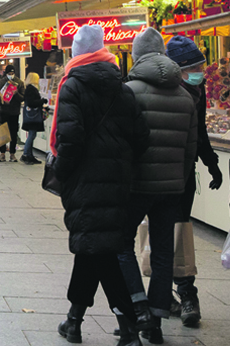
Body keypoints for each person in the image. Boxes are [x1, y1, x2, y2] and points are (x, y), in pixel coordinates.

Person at [52, 25, 150, 346]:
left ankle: (129, 326)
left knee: (98, 251)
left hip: (84, 181)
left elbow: (69, 139)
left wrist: (62, 173)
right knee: (94, 248)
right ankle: (74, 321)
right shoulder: (123, 89)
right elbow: (142, 138)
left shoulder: (73, 87)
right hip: (119, 183)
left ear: (77, 52)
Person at [117, 27, 197, 343]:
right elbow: (189, 149)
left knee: (122, 244)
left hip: (136, 185)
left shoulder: (129, 92)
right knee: (164, 251)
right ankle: (158, 319)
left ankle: (139, 309)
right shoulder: (184, 95)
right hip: (171, 188)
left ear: (136, 56)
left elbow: (122, 143)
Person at [165, 36, 223, 326]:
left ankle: (187, 293)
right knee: (161, 233)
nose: (201, 70)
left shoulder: (198, 93)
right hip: (159, 174)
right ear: (180, 69)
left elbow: (199, 132)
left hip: (184, 174)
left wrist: (212, 163)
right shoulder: (164, 91)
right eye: (195, 66)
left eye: (201, 65)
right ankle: (163, 293)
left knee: (181, 231)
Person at [0, 65, 25, 162]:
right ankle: (2, 152)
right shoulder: (2, 81)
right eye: (9, 74)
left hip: (14, 111)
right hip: (3, 110)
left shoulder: (19, 82)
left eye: (12, 73)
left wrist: (16, 93)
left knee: (13, 132)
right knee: (3, 132)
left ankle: (12, 153)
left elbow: (22, 98)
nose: (11, 75)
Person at [21, 72, 47, 165]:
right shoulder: (31, 89)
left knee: (32, 135)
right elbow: (32, 102)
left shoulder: (29, 89)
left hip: (30, 116)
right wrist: (42, 101)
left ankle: (29, 154)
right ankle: (26, 154)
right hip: (33, 116)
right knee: (32, 135)